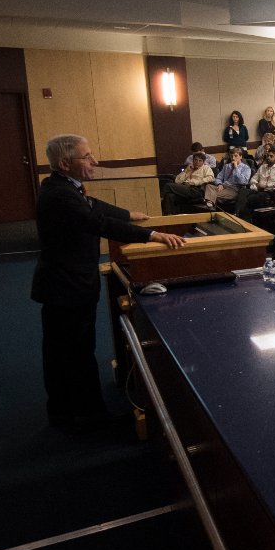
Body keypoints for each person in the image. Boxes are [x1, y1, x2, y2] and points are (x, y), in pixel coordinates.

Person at [32, 135, 184, 432]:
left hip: (67, 283)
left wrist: (129, 214)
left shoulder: (63, 186)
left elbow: (93, 205)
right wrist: (151, 235)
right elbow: (97, 222)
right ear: (64, 163)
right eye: (86, 156)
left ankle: (69, 412)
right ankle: (87, 418)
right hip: (66, 287)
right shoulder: (59, 195)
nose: (94, 161)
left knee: (71, 351)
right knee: (72, 354)